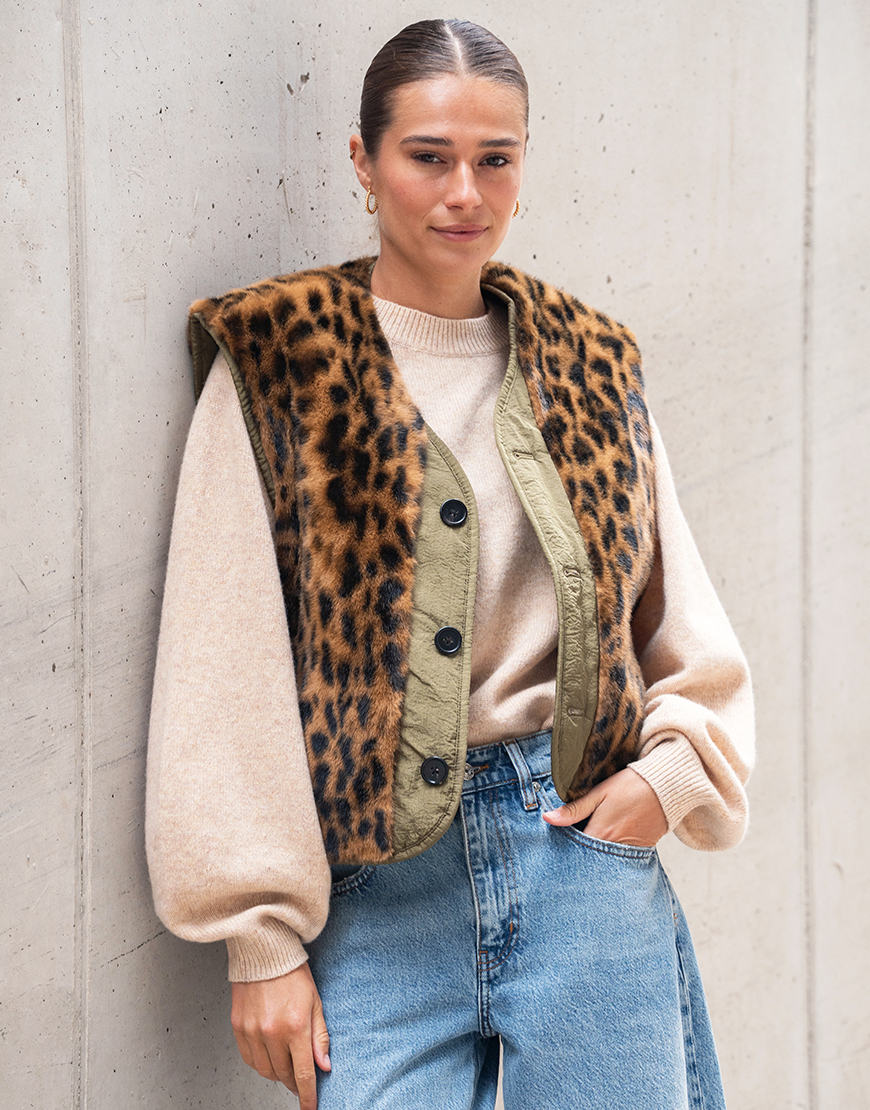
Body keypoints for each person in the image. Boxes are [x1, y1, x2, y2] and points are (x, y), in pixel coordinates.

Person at [146, 18, 754, 1110]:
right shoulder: (282, 359)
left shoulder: (588, 358)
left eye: (495, 159)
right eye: (428, 156)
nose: (465, 192)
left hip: (582, 854)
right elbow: (220, 660)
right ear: (363, 159)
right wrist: (259, 940)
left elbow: (685, 627)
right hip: (376, 895)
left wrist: (667, 783)